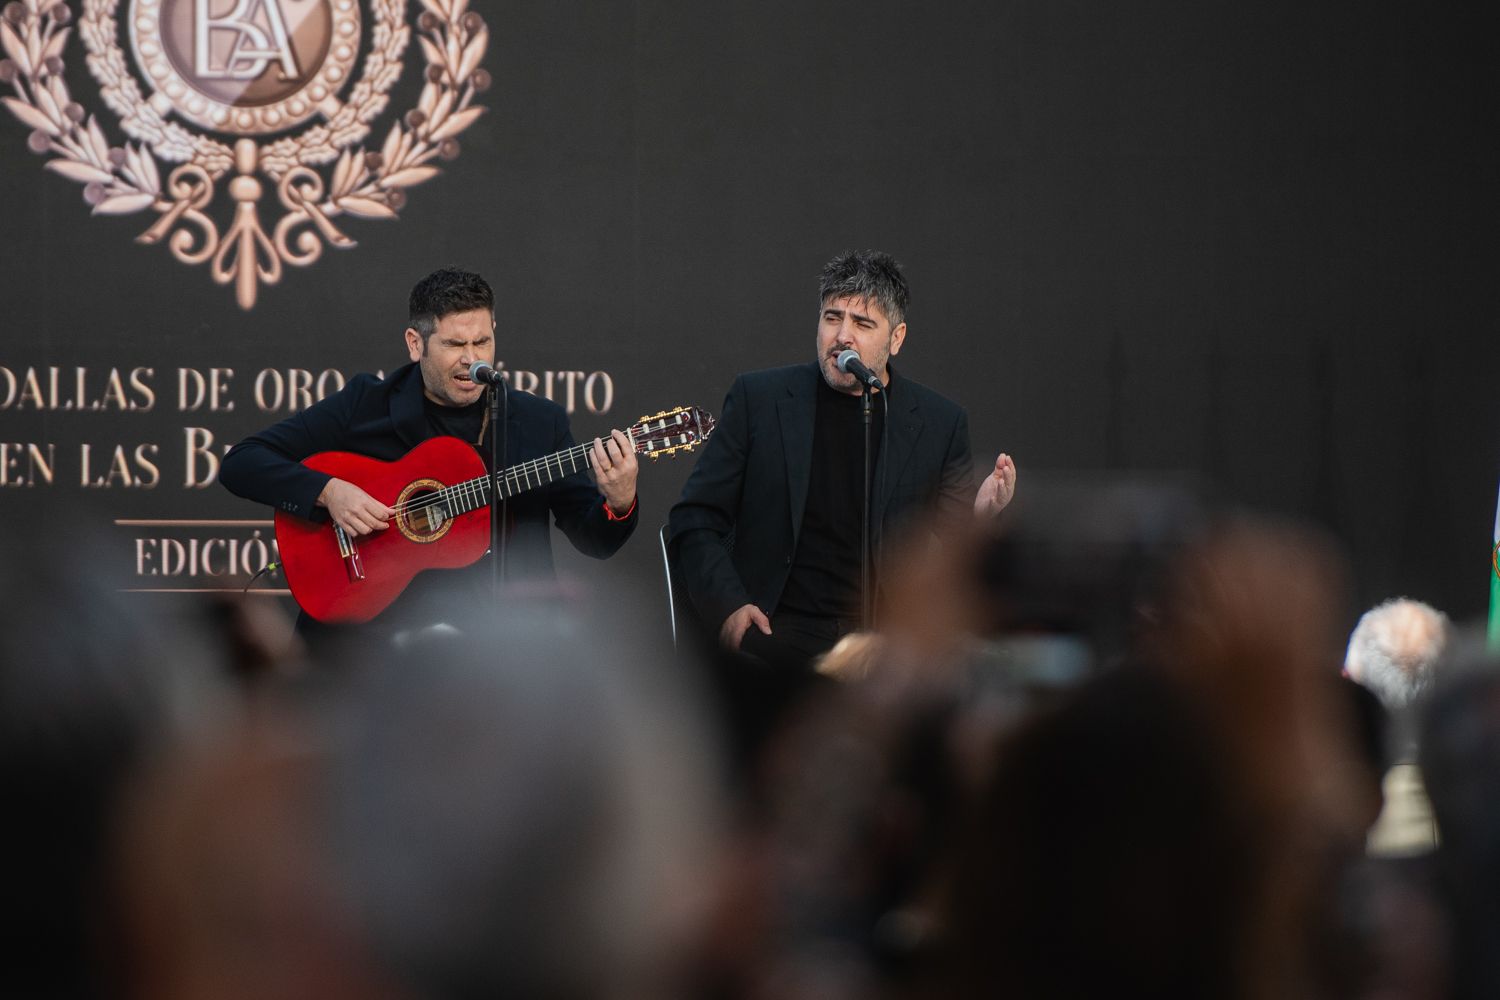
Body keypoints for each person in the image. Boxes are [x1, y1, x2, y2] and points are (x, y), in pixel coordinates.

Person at [219, 267, 639, 646]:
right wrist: (329, 492)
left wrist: (619, 502)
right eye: (455, 344)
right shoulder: (367, 405)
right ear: (415, 343)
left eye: (482, 341)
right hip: (379, 636)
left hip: (503, 641)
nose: (472, 359)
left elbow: (593, 539)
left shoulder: (536, 422)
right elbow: (243, 462)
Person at [667, 249, 1016, 669]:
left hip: (885, 645)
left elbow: (958, 562)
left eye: (862, 323)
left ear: (897, 338)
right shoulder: (758, 400)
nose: (842, 336)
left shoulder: (940, 423)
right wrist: (729, 606)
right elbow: (694, 518)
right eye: (833, 318)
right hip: (774, 630)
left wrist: (982, 517)